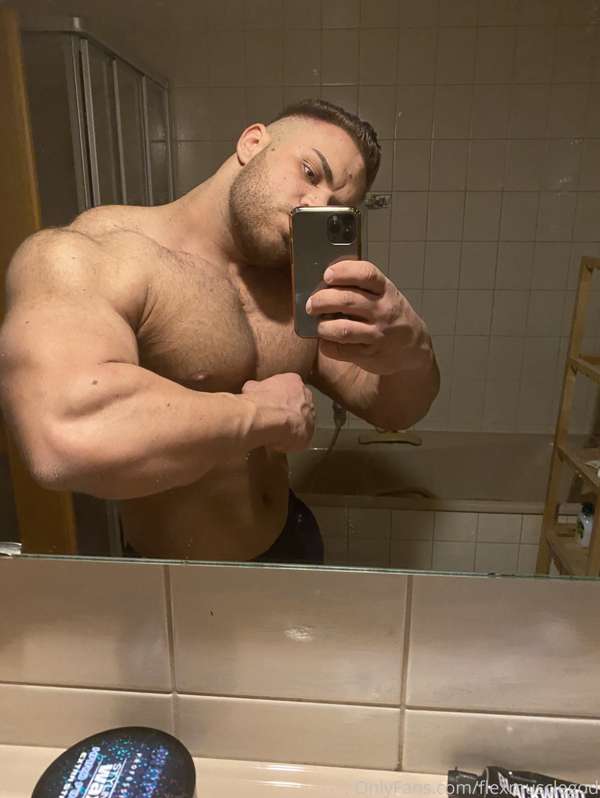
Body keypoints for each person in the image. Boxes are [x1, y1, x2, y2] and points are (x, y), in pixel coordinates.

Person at [0, 99, 439, 563]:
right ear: (253, 143)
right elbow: (63, 434)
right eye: (310, 172)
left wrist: (413, 350)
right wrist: (258, 416)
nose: (315, 205)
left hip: (291, 538)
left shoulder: (298, 286)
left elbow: (393, 410)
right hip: (179, 575)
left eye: (335, 206)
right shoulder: (99, 253)